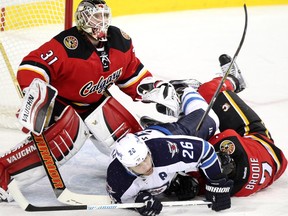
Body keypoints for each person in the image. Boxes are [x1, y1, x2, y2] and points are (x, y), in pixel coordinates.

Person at [0, 0, 176, 202]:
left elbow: (132, 75)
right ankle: (3, 174)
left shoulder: (120, 40)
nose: (101, 21)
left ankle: (156, 177)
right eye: (95, 16)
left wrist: (152, 89)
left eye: (104, 16)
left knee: (132, 142)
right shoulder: (67, 45)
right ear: (83, 19)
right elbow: (32, 67)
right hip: (62, 108)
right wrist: (36, 93)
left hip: (96, 105)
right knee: (66, 140)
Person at [106, 54, 287, 216]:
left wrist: (141, 201)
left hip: (170, 143)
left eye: (144, 159)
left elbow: (121, 199)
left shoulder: (150, 159)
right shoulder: (232, 151)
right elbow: (209, 148)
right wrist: (214, 183)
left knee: (203, 126)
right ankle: (227, 81)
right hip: (253, 135)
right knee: (208, 114)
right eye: (139, 164)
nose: (146, 166)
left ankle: (203, 92)